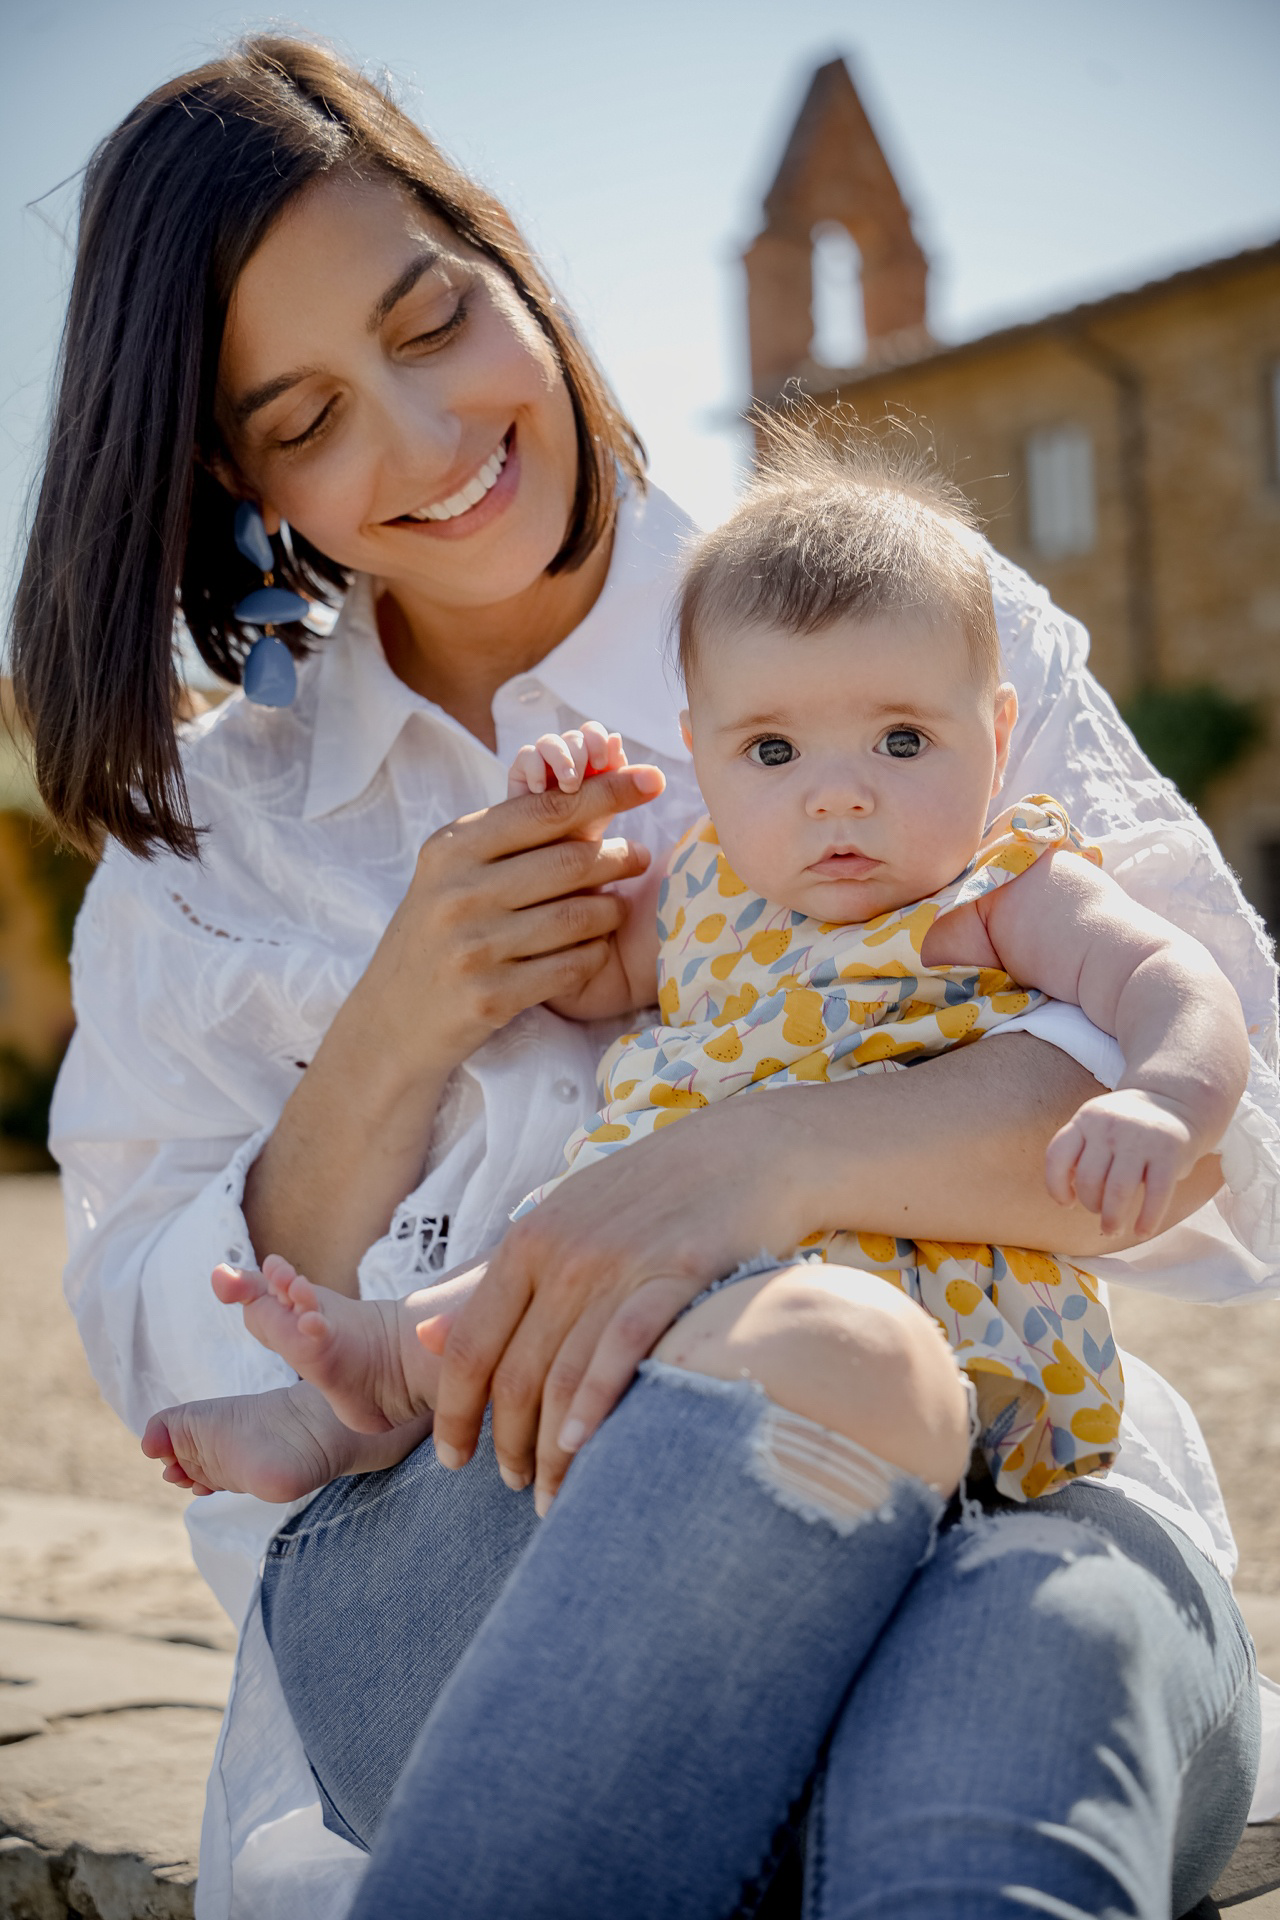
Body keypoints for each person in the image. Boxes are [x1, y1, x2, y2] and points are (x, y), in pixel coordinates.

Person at [12, 32, 1278, 1920]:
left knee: (1030, 1637)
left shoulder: (901, 628)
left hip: (1027, 1498)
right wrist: (389, 1044)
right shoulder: (222, 833)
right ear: (232, 471)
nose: (426, 442)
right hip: (462, 1577)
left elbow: (1231, 1138)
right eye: (308, 419)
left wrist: (748, 1169)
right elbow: (162, 1360)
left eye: (435, 323)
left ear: (514, 263)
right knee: (846, 1387)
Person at [144, 434, 1252, 1523]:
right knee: (543, 1274)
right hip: (665, 1273)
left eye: (901, 741)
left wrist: (1162, 1098)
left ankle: (390, 1377)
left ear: (995, 735)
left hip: (914, 1305)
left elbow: (1174, 981)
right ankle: (364, 1393)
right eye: (772, 752)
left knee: (604, 1298)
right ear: (700, 750)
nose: (838, 796)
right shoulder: (703, 889)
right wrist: (554, 826)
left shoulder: (999, 890)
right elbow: (583, 976)